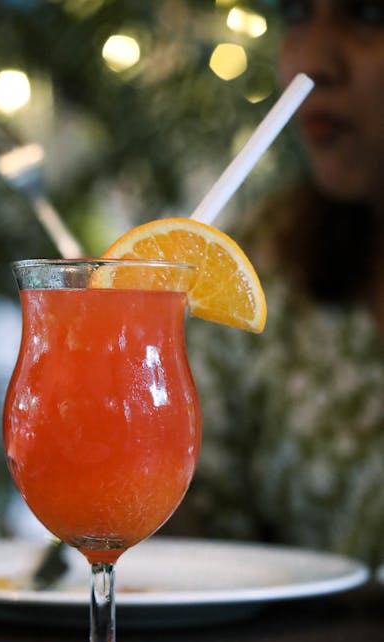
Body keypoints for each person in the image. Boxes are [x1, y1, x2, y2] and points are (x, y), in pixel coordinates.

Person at [174, 0, 384, 567]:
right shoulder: (254, 265)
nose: (311, 61)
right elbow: (199, 555)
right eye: (295, 12)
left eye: (367, 12)